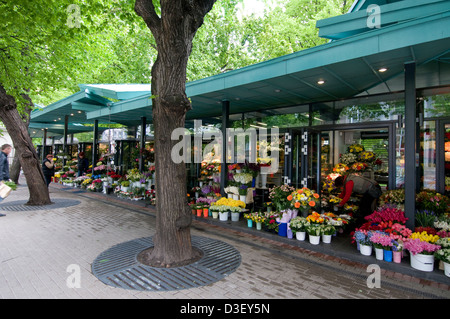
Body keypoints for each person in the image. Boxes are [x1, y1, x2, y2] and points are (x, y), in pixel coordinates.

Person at [0, 144, 12, 217]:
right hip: (2, 179)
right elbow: (1, 168)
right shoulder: (2, 156)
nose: (10, 151)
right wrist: (1, 179)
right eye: (10, 149)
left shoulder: (3, 155)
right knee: (2, 195)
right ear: (6, 149)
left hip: (4, 178)